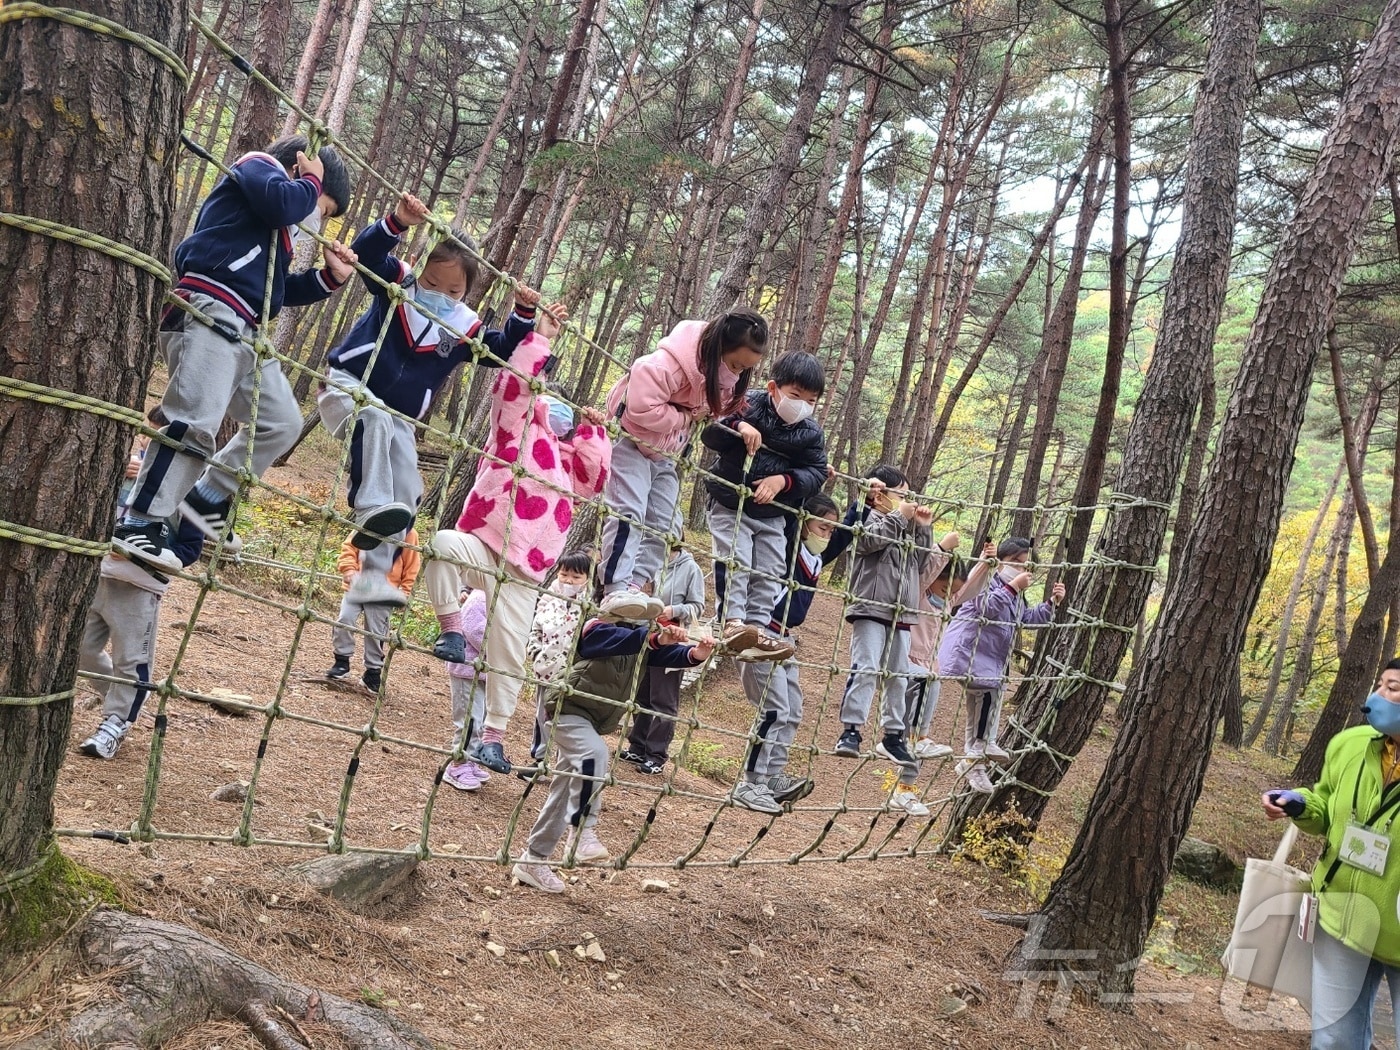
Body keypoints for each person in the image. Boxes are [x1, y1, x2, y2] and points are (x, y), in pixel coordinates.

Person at [114, 135, 357, 570]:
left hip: (246, 329)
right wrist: (311, 187)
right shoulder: (255, 168)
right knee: (193, 423)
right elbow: (284, 203)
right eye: (323, 209)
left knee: (281, 423)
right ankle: (138, 520)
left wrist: (329, 279)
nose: (316, 219)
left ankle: (205, 497)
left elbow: (275, 293)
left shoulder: (275, 227)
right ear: (301, 172)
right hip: (209, 308)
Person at [317, 193, 540, 607]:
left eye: (454, 289)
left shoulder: (461, 325)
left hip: (400, 417)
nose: (440, 293)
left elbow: (502, 350)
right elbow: (365, 255)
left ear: (468, 291)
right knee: (375, 422)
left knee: (407, 491)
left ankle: (373, 575)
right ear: (421, 271)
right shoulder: (399, 285)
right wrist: (398, 222)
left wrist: (522, 314)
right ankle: (365, 508)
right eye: (433, 283)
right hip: (348, 386)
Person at [425, 316, 611, 775]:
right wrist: (541, 339)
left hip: (527, 572)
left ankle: (493, 740)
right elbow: (512, 388)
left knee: (508, 653)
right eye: (553, 408)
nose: (558, 416)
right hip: (487, 545)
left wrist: (594, 432)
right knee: (442, 544)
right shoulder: (515, 435)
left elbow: (596, 476)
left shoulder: (567, 471)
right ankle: (449, 628)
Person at [512, 618, 714, 893]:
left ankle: (533, 860)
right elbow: (613, 639)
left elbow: (668, 653)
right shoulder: (597, 628)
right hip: (564, 711)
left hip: (590, 721)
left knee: (566, 787)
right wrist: (654, 637)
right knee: (595, 754)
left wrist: (695, 653)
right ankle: (582, 831)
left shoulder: (641, 640)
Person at [597, 309, 769, 620]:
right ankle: (614, 587)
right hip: (631, 441)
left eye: (745, 369)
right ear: (718, 348)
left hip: (666, 454)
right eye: (734, 364)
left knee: (665, 524)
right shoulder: (670, 364)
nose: (737, 373)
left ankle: (634, 586)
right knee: (629, 511)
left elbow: (716, 413)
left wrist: (740, 425)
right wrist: (684, 418)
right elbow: (639, 407)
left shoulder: (722, 379)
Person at [1262, 659, 1400, 1048]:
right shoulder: (1350, 744)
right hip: (1344, 916)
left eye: (1393, 689)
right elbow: (1325, 805)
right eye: (1380, 685)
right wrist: (1298, 803)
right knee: (1334, 1040)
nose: (1377, 698)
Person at [730, 493, 856, 813]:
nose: (826, 535)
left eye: (830, 530)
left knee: (793, 710)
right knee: (774, 710)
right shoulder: (787, 549)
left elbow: (844, 535)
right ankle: (751, 783)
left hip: (786, 639)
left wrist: (864, 506)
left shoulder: (816, 559)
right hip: (760, 634)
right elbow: (789, 517)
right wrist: (811, 482)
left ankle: (772, 777)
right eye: (821, 527)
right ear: (803, 524)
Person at [701, 351, 829, 660]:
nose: (802, 406)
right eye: (796, 396)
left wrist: (784, 481)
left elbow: (817, 472)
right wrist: (738, 426)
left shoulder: (812, 434)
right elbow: (710, 430)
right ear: (773, 388)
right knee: (737, 558)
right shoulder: (747, 403)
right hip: (731, 501)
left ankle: (757, 629)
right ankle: (730, 622)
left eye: (811, 401)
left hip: (773, 513)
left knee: (772, 569)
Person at [936, 536, 1064, 794]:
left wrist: (1051, 604)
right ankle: (979, 750)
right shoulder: (988, 580)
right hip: (969, 652)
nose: (1020, 569)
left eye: (1025, 566)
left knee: (982, 703)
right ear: (1002, 561)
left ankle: (974, 763)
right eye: (1015, 563)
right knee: (990, 696)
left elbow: (1025, 619)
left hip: (988, 659)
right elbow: (985, 608)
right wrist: (1013, 588)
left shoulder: (1017, 595)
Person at [831, 466, 933, 771]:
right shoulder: (870, 518)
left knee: (898, 675)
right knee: (866, 668)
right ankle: (851, 731)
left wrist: (923, 528)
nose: (906, 500)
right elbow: (865, 543)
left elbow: (921, 563)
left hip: (901, 612)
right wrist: (899, 516)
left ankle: (893, 734)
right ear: (881, 493)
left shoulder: (907, 526)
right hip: (870, 607)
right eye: (900, 494)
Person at [77, 516, 205, 759]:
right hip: (99, 576)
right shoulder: (124, 484)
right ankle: (131, 695)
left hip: (140, 588)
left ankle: (116, 723)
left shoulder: (188, 500)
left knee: (131, 659)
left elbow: (188, 550)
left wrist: (135, 554)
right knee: (81, 648)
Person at [882, 531, 971, 817]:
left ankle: (904, 790)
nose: (949, 595)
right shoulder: (917, 592)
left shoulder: (945, 602)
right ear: (934, 578)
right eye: (945, 588)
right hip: (899, 661)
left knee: (918, 732)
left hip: (923, 671)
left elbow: (968, 591)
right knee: (914, 723)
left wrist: (987, 563)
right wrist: (943, 548)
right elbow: (927, 570)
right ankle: (912, 739)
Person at [618, 534, 708, 774]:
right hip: (646, 635)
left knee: (663, 700)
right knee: (642, 694)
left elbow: (698, 606)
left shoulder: (691, 569)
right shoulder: (648, 558)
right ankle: (638, 746)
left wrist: (673, 609)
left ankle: (656, 755)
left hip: (673, 639)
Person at [326, 526, 420, 693]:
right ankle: (341, 661)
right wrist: (349, 569)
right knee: (344, 619)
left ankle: (373, 671)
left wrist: (405, 592)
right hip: (358, 585)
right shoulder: (368, 522)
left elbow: (412, 566)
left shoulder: (408, 534)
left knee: (376, 631)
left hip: (384, 591)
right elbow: (349, 546)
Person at [526, 551, 595, 765]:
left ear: (587, 579)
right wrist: (536, 653)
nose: (569, 581)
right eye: (565, 574)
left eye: (576, 577)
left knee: (566, 719)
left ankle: (562, 763)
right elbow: (536, 628)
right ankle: (539, 759)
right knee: (542, 715)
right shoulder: (550, 599)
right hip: (546, 670)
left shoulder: (590, 606)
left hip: (573, 675)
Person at [443, 587, 491, 791]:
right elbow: (474, 629)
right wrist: (500, 651)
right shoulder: (480, 597)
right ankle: (458, 764)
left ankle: (470, 758)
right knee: (469, 719)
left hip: (484, 672)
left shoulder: (500, 599)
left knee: (480, 719)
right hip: (467, 669)